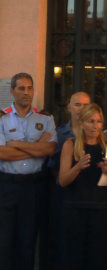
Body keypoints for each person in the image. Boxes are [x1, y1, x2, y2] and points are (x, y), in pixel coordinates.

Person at [0, 72, 57, 270]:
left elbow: (49, 149)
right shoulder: (2, 118)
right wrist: (35, 149)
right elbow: (1, 153)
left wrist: (14, 144)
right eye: (21, 88)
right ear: (12, 91)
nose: (26, 92)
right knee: (3, 243)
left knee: (28, 242)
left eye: (30, 88)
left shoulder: (45, 118)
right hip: (6, 186)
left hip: (33, 188)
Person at [59, 103, 107, 270]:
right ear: (81, 123)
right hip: (74, 209)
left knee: (98, 260)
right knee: (73, 259)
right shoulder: (70, 144)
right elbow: (62, 180)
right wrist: (78, 166)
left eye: (98, 121)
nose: (95, 126)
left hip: (100, 210)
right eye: (90, 121)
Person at [47, 91, 91, 270]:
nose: (81, 109)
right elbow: (52, 166)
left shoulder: (101, 133)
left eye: (85, 105)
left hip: (90, 195)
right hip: (64, 194)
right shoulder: (59, 133)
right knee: (65, 243)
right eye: (77, 104)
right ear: (69, 107)